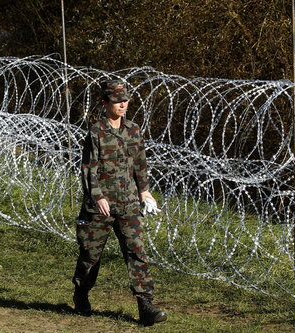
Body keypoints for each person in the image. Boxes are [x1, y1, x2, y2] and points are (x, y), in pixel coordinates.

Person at [72, 79, 167, 326]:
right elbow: (88, 168)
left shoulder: (134, 130)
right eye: (117, 101)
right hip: (100, 205)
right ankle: (81, 294)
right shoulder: (96, 132)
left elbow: (140, 164)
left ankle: (145, 304)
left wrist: (144, 192)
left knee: (136, 251)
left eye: (125, 100)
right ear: (105, 103)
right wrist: (97, 195)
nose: (122, 104)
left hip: (128, 203)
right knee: (90, 254)